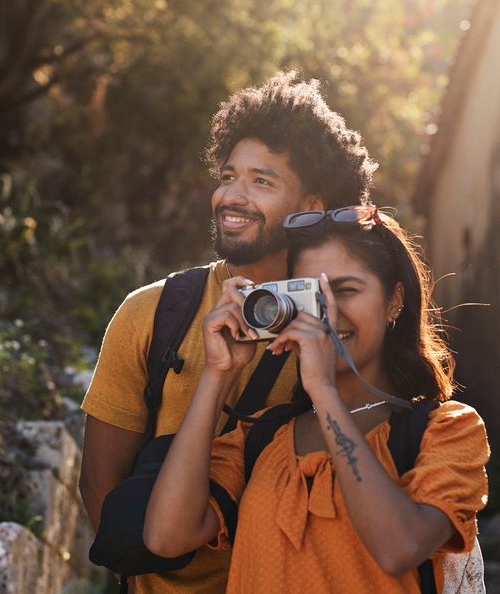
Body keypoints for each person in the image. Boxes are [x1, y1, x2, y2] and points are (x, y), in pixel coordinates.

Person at [79, 71, 378, 593]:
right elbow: (100, 485)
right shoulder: (150, 313)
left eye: (261, 181)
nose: (231, 196)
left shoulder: (345, 325)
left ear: (311, 206)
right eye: (227, 175)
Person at [143, 205, 490, 593]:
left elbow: (399, 549)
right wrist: (218, 373)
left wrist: (323, 391)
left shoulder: (446, 430)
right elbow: (166, 537)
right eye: (312, 296)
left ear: (395, 300)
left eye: (345, 291)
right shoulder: (261, 438)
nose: (327, 315)